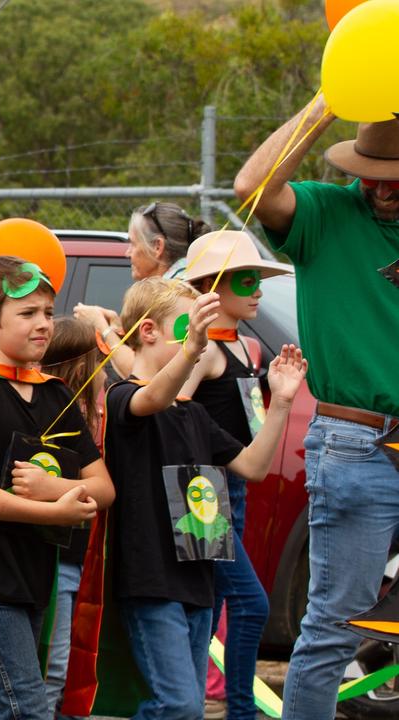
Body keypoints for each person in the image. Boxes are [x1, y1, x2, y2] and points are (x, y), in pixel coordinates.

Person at [235, 98, 399, 720]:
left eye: (396, 175)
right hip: (356, 447)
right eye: (370, 170)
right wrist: (329, 102)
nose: (381, 186)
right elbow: (252, 186)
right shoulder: (325, 213)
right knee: (336, 621)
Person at [104, 277, 304, 719]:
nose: (198, 339)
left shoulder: (193, 414)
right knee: (177, 705)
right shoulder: (123, 398)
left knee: (189, 708)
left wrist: (284, 402)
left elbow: (252, 466)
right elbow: (152, 397)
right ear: (148, 332)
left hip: (198, 578)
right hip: (150, 581)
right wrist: (194, 349)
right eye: (187, 328)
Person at [0, 256, 115, 720]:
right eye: (28, 314)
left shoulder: (55, 394)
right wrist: (53, 513)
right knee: (26, 706)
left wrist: (54, 488)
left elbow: (104, 487)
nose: (44, 325)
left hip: (34, 578)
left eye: (48, 313)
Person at [179, 230, 291, 720]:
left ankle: (192, 701)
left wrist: (272, 383)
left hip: (237, 489)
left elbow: (245, 411)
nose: (258, 290)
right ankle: (238, 711)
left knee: (213, 605)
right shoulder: (202, 351)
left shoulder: (249, 348)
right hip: (202, 495)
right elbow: (171, 409)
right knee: (250, 604)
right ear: (212, 286)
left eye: (259, 279)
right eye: (247, 280)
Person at [37, 317, 106, 718]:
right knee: (53, 669)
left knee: (75, 670)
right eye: (101, 361)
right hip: (57, 560)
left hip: (85, 559)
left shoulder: (95, 414)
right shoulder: (59, 417)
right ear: (84, 367)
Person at [73, 202, 210, 378]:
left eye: (133, 243)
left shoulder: (175, 297)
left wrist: (101, 327)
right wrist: (121, 328)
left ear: (157, 247)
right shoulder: (190, 283)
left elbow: (141, 374)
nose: (128, 253)